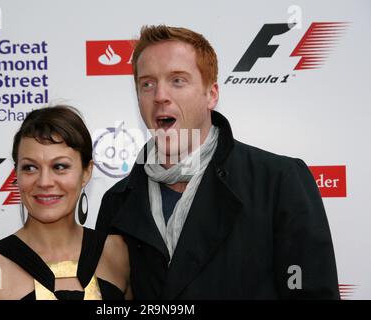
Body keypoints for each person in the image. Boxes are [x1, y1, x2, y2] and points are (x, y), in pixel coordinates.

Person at [96, 25, 340, 299]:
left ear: (211, 94)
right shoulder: (117, 202)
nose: (160, 95)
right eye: (147, 84)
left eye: (177, 80)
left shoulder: (279, 181)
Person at [0, 105, 132, 300]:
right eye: (30, 167)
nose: (44, 182)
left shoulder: (117, 253)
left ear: (86, 172)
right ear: (17, 175)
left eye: (60, 166)